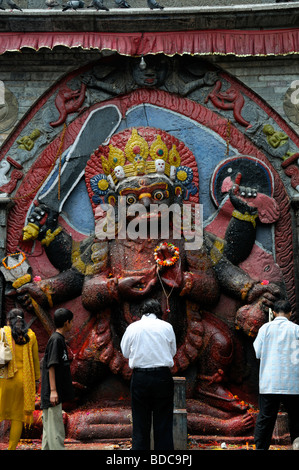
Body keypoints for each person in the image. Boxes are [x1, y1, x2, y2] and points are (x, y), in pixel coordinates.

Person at [120, 298, 177, 450]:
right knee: (163, 422)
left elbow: (125, 352)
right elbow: (172, 352)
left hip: (140, 377)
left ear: (141, 312)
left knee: (140, 423)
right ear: (160, 313)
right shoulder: (167, 327)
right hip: (162, 377)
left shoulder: (133, 327)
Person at [253, 299, 299, 450]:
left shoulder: (265, 329)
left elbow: (258, 353)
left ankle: (261, 448)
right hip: (292, 384)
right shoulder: (296, 329)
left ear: (273, 313)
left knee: (265, 419)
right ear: (290, 313)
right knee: (296, 418)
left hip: (270, 382)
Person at [0, 308, 40, 450]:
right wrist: (36, 380)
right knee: (17, 418)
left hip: (4, 380)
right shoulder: (31, 335)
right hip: (23, 382)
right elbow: (35, 361)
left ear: (8, 320)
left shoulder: (2, 332)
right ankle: (11, 449)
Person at [40, 307, 74, 450]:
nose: (72, 324)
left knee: (49, 432)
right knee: (56, 432)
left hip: (53, 392)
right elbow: (51, 365)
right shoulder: (56, 340)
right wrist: (53, 391)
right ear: (67, 322)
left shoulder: (58, 339)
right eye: (71, 321)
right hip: (52, 392)